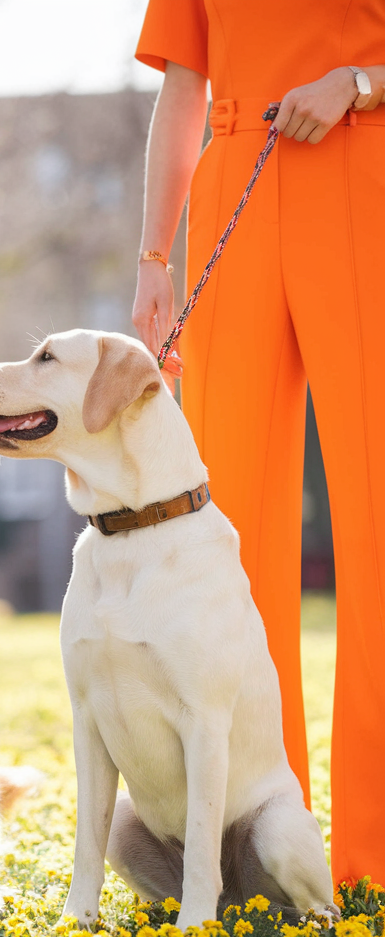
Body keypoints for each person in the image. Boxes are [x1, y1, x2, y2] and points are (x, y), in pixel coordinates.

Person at [131, 0, 385, 886]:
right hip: (235, 177)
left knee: (376, 525)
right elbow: (184, 88)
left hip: (364, 161)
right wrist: (153, 261)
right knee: (229, 540)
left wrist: (359, 81)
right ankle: (261, 846)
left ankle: (375, 852)